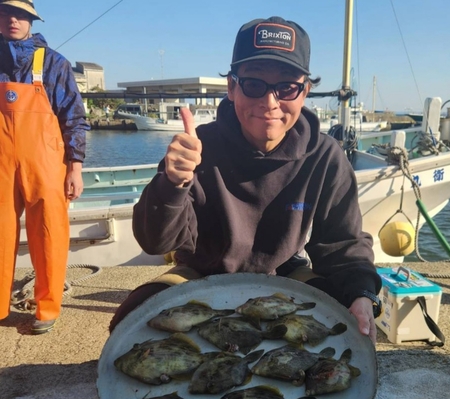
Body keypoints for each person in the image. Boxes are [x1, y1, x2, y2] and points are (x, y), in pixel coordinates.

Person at [110, 16, 382, 342]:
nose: (269, 103)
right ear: (232, 88)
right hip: (200, 271)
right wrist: (172, 183)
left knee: (343, 322)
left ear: (305, 91)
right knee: (130, 321)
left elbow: (343, 245)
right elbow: (156, 243)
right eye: (254, 85)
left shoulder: (324, 156)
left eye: (286, 87)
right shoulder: (196, 147)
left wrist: (362, 294)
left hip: (284, 272)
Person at [0, 0, 89, 334]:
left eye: (21, 14)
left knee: (49, 234)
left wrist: (75, 168)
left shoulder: (53, 63)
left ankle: (47, 308)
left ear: (31, 21)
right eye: (6, 12)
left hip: (47, 166)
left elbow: (74, 119)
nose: (13, 19)